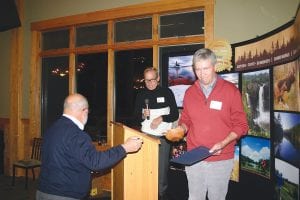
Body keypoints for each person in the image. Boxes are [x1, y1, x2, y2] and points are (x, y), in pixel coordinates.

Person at [166, 48, 248, 200]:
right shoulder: (190, 92)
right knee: (195, 197)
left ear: (214, 66)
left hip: (221, 158)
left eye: (206, 69)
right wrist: (181, 128)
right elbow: (187, 120)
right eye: (197, 69)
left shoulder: (231, 91)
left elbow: (241, 125)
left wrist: (223, 143)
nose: (201, 74)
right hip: (194, 157)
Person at [36, 93, 143, 200]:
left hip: (43, 191)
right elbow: (95, 162)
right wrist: (125, 148)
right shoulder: (76, 134)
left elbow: (63, 158)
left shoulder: (52, 129)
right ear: (85, 111)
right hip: (64, 195)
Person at [133, 67, 179, 200]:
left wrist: (162, 118)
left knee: (162, 170)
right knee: (147, 167)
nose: (150, 83)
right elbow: (135, 117)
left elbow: (175, 114)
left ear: (158, 78)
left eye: (152, 80)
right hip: (146, 136)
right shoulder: (141, 94)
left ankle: (161, 195)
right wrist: (142, 114)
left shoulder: (166, 92)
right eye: (147, 81)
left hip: (163, 137)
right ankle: (147, 194)